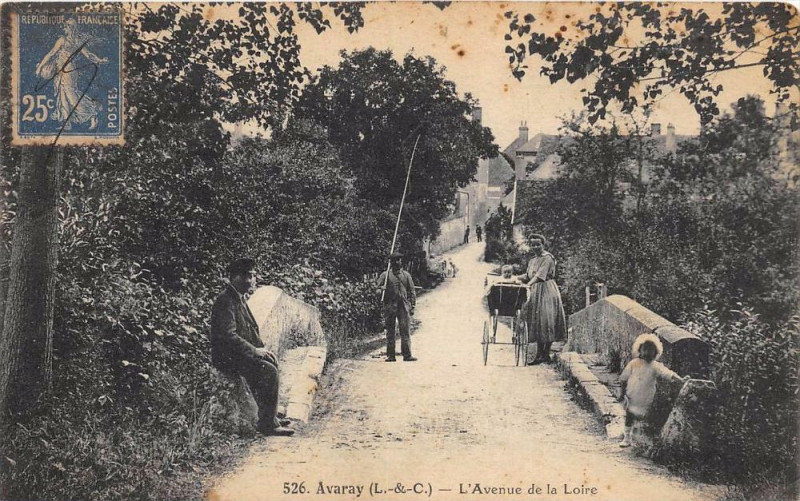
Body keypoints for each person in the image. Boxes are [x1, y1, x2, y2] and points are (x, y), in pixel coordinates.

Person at [210, 258, 294, 436]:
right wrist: (254, 351)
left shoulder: (238, 298)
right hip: (227, 358)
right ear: (233, 277)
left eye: (252, 276)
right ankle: (268, 425)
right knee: (268, 372)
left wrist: (261, 350)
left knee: (269, 364)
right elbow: (228, 335)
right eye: (245, 276)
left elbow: (249, 329)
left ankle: (270, 416)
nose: (250, 281)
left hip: (236, 354)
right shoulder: (225, 300)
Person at [35, 18, 108, 130]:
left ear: (72, 28)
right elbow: (89, 55)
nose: (64, 28)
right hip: (63, 70)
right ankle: (66, 123)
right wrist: (99, 60)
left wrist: (40, 67)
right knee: (63, 95)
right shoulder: (76, 41)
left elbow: (51, 53)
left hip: (68, 71)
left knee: (71, 96)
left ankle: (91, 114)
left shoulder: (64, 40)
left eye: (66, 26)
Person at [619, 334, 689, 447]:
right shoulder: (633, 364)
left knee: (645, 417)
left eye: (651, 350)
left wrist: (680, 379)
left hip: (646, 397)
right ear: (640, 350)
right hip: (632, 395)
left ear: (656, 352)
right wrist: (622, 393)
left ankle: (641, 438)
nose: (647, 352)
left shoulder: (655, 366)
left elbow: (667, 373)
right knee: (629, 416)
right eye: (645, 349)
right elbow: (624, 378)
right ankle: (627, 438)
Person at [518, 234, 567, 364]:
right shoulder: (532, 260)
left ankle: (545, 353)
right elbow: (529, 275)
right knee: (538, 321)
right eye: (533, 245)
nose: (536, 247)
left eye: (538, 244)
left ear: (543, 245)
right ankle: (539, 354)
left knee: (547, 319)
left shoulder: (548, 258)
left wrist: (529, 284)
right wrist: (515, 278)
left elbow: (540, 276)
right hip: (536, 291)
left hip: (547, 290)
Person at [377, 253, 417, 362]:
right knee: (390, 331)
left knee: (405, 330)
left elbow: (412, 291)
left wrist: (412, 306)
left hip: (403, 306)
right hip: (390, 306)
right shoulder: (385, 276)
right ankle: (391, 355)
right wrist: (381, 289)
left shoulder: (406, 275)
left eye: (399, 260)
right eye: (394, 260)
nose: (397, 262)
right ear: (391, 262)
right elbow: (377, 289)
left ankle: (407, 355)